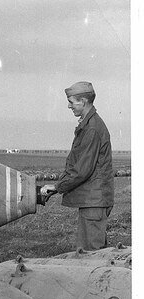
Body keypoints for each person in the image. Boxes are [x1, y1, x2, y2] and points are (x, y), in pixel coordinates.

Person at [40, 81, 114, 251]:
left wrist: (58, 186)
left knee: (91, 255)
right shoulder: (90, 125)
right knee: (93, 253)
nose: (69, 106)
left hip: (94, 202)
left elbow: (81, 170)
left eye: (71, 102)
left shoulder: (92, 129)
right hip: (93, 201)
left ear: (83, 101)